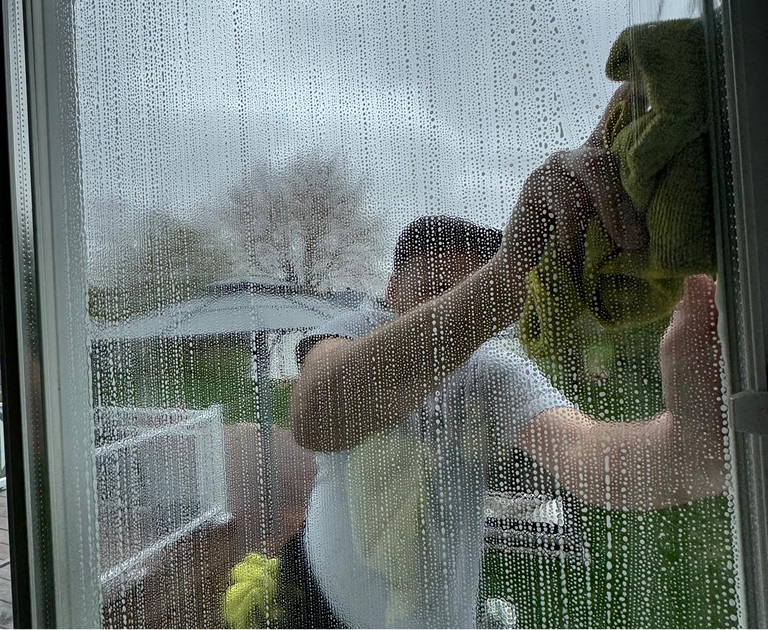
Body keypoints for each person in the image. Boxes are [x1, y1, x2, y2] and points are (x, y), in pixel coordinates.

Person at [286, 87, 726, 628]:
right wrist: (506, 278)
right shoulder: (357, 330)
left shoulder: (488, 370)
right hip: (312, 612)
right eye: (437, 289)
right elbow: (319, 416)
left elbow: (588, 456)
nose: (456, 309)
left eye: (466, 291)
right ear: (393, 286)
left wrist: (696, 439)